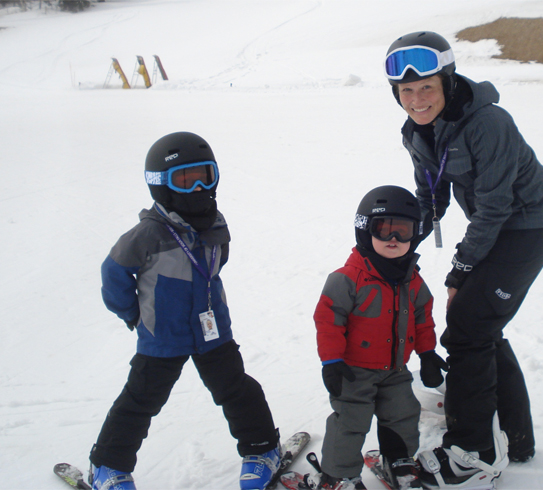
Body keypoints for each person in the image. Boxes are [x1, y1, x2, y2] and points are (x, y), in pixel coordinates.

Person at [384, 32, 543, 489]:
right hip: (498, 227)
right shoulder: (417, 131)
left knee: (466, 327)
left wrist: (461, 267)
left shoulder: (488, 123)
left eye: (426, 88)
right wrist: (397, 244)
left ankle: (473, 451)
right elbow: (430, 198)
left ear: (447, 81)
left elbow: (495, 206)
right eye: (406, 91)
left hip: (527, 227)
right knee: (479, 325)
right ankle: (517, 439)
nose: (417, 100)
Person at [89, 132, 282, 490]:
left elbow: (216, 265)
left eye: (203, 176)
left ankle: (262, 449)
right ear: (160, 185)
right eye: (183, 178)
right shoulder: (146, 234)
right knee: (140, 401)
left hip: (213, 333)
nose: (195, 187)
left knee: (236, 390)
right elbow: (113, 274)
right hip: (163, 338)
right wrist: (136, 315)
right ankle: (108, 466)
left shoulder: (215, 224)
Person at [310, 185, 448, 490]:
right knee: (350, 423)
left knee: (403, 415)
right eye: (384, 230)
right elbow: (329, 320)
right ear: (365, 230)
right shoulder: (347, 279)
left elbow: (423, 316)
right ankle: (338, 474)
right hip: (353, 372)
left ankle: (399, 460)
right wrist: (331, 362)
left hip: (395, 370)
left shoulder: (412, 279)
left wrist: (426, 354)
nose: (395, 240)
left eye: (404, 231)